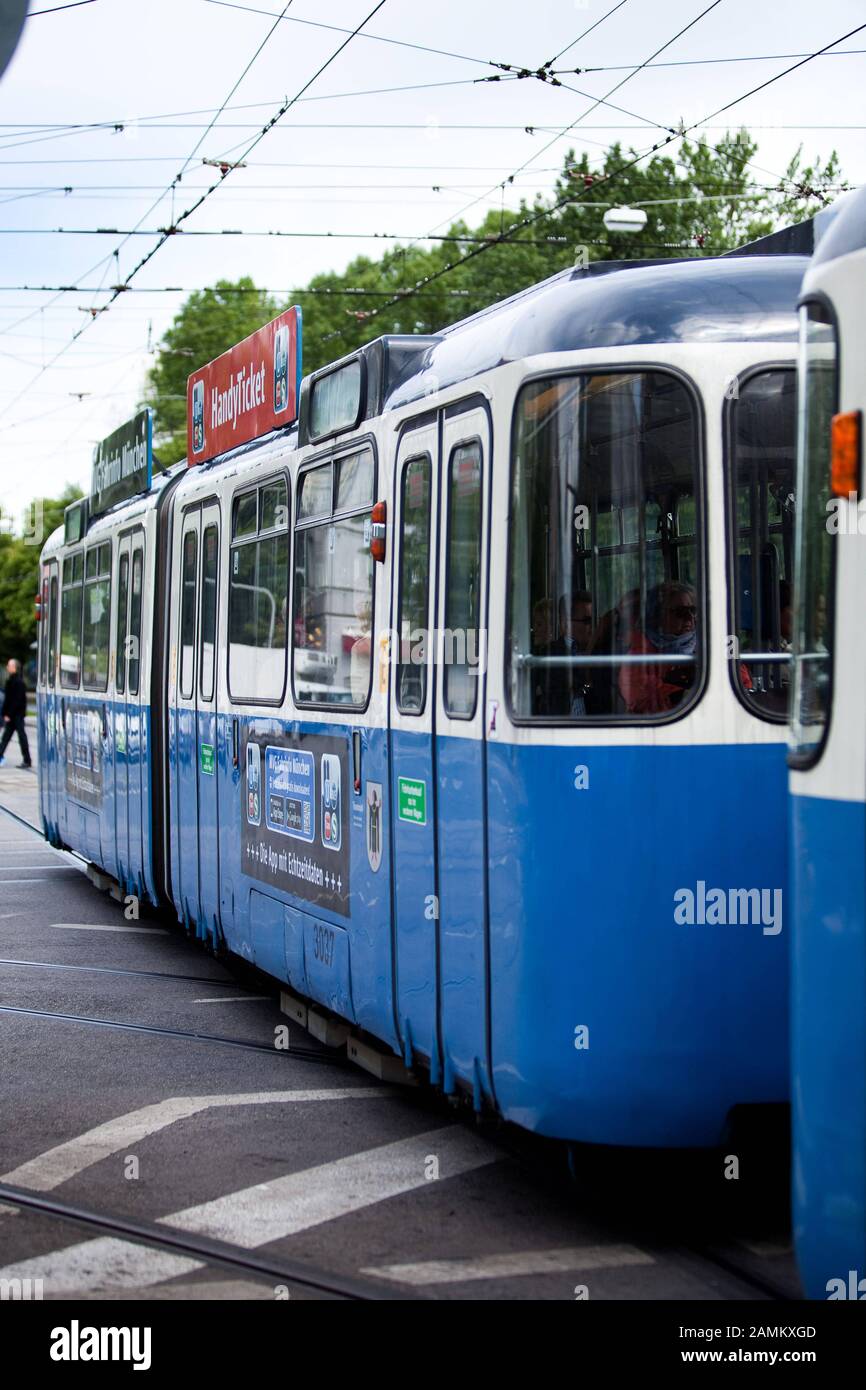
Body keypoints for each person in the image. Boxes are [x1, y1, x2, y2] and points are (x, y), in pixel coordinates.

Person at [619, 582, 698, 715]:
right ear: (657, 616)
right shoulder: (638, 654)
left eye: (692, 610)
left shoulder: (708, 645)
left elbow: (738, 678)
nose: (689, 617)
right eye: (680, 612)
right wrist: (683, 695)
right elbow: (643, 698)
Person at [0, 658, 31, 768]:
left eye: (9, 665)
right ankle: (26, 759)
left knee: (21, 737)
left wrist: (8, 714)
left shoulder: (18, 682)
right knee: (6, 737)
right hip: (13, 715)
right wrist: (5, 713)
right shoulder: (11, 681)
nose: (7, 667)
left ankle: (27, 760)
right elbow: (8, 699)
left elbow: (16, 701)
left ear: (14, 668)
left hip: (16, 715)